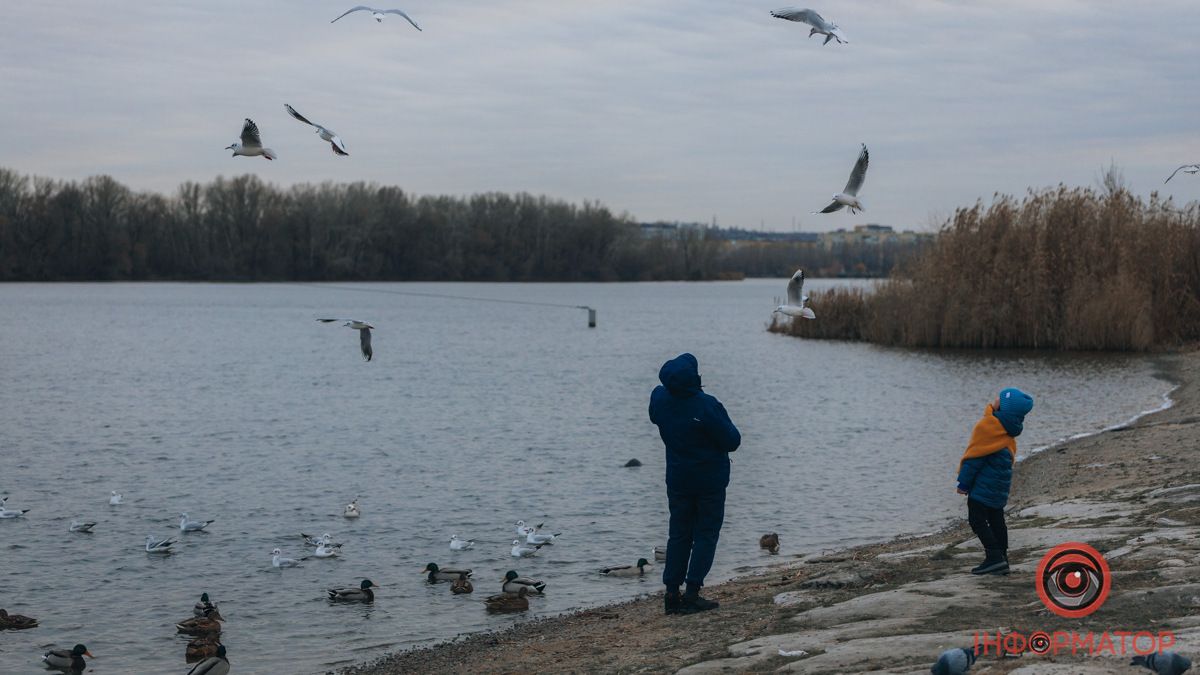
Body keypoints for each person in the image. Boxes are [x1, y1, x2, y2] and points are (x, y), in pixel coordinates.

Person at [649, 353, 741, 614]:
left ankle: (670, 594)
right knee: (705, 535)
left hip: (678, 479)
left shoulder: (659, 398)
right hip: (709, 481)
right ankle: (691, 593)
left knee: (679, 534)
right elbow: (732, 441)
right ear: (696, 378)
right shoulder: (706, 405)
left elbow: (655, 415)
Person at [956, 387, 1034, 575]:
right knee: (997, 520)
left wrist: (964, 483)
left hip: (983, 487)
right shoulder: (1009, 427)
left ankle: (994, 557)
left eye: (1001, 398)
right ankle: (1002, 559)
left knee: (977, 520)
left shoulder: (989, 426)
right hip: (999, 487)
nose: (996, 398)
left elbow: (974, 457)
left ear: (1005, 407)